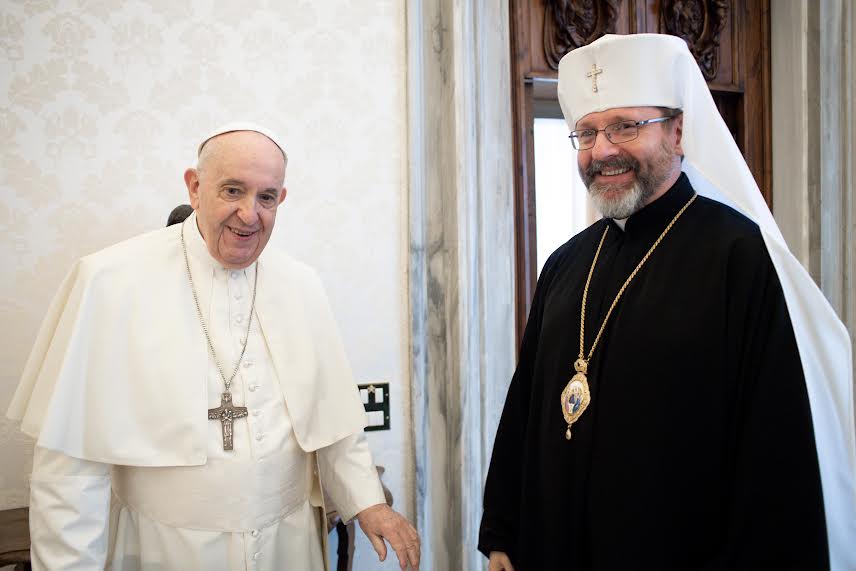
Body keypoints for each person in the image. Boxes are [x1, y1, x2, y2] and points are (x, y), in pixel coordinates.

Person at [479, 34, 856, 570]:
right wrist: (503, 532)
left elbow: (774, 448)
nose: (602, 151)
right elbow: (525, 408)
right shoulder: (565, 264)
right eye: (587, 133)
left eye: (625, 127)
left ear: (678, 132)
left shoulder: (739, 257)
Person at [8, 123, 420, 570]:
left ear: (280, 200)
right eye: (232, 190)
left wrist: (366, 500)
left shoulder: (301, 284)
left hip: (289, 545)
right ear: (195, 186)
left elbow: (331, 421)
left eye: (266, 197)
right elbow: (69, 470)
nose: (249, 214)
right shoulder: (108, 281)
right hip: (165, 550)